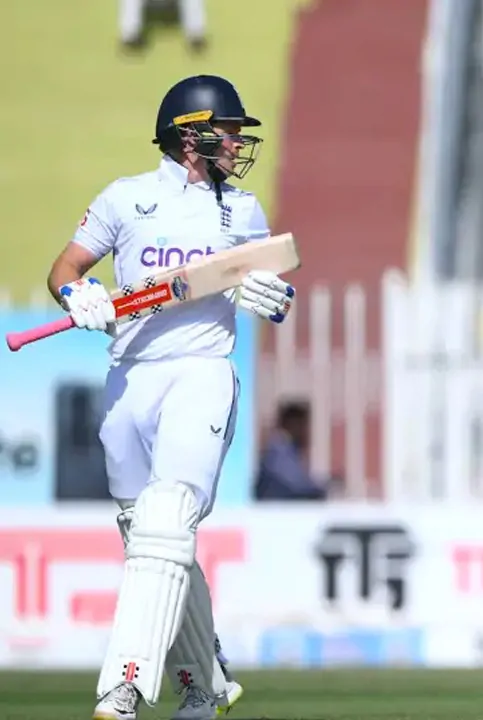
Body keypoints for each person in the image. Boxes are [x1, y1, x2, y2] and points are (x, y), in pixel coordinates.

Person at [48, 75, 295, 720]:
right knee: (148, 536)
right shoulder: (125, 200)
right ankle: (205, 682)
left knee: (166, 516)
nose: (240, 141)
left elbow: (260, 280)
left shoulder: (241, 210)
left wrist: (260, 293)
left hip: (201, 371)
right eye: (231, 128)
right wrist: (79, 297)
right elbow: (65, 270)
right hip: (129, 376)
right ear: (193, 133)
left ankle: (122, 690)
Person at [255, 400, 330, 500]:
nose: (306, 430)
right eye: (303, 424)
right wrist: (319, 489)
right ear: (292, 423)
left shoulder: (289, 448)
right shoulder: (278, 448)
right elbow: (293, 483)